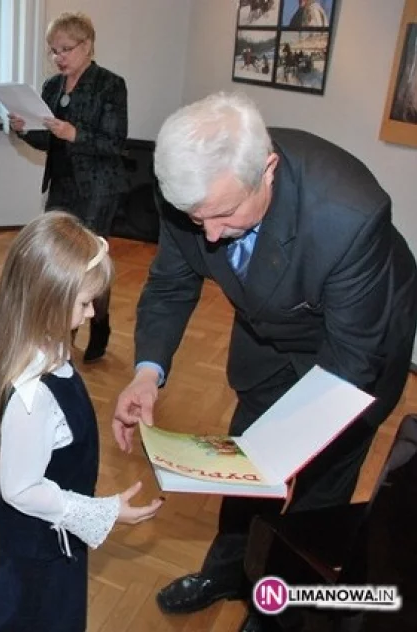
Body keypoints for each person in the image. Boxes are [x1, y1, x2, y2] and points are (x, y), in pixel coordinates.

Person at [111, 92, 417, 632]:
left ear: (268, 170)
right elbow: (171, 283)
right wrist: (147, 372)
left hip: (357, 346)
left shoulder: (349, 216)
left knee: (315, 493)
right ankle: (228, 572)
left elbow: (350, 360)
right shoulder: (194, 190)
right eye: (194, 217)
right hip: (270, 331)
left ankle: (279, 606)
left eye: (223, 215)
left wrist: (284, 453)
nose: (206, 234)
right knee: (242, 471)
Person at [0, 211, 162, 631]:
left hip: (54, 543)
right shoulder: (31, 393)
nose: (93, 314)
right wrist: (104, 512)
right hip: (39, 559)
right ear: (47, 298)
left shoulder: (44, 348)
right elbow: (20, 488)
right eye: (84, 303)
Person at [8, 12, 128, 364]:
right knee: (60, 262)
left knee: (89, 264)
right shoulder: (51, 87)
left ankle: (98, 323)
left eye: (65, 49)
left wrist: (73, 133)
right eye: (53, 51)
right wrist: (23, 129)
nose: (58, 57)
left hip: (98, 190)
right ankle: (64, 334)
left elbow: (115, 142)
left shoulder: (110, 85)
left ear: (87, 45)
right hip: (61, 186)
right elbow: (49, 142)